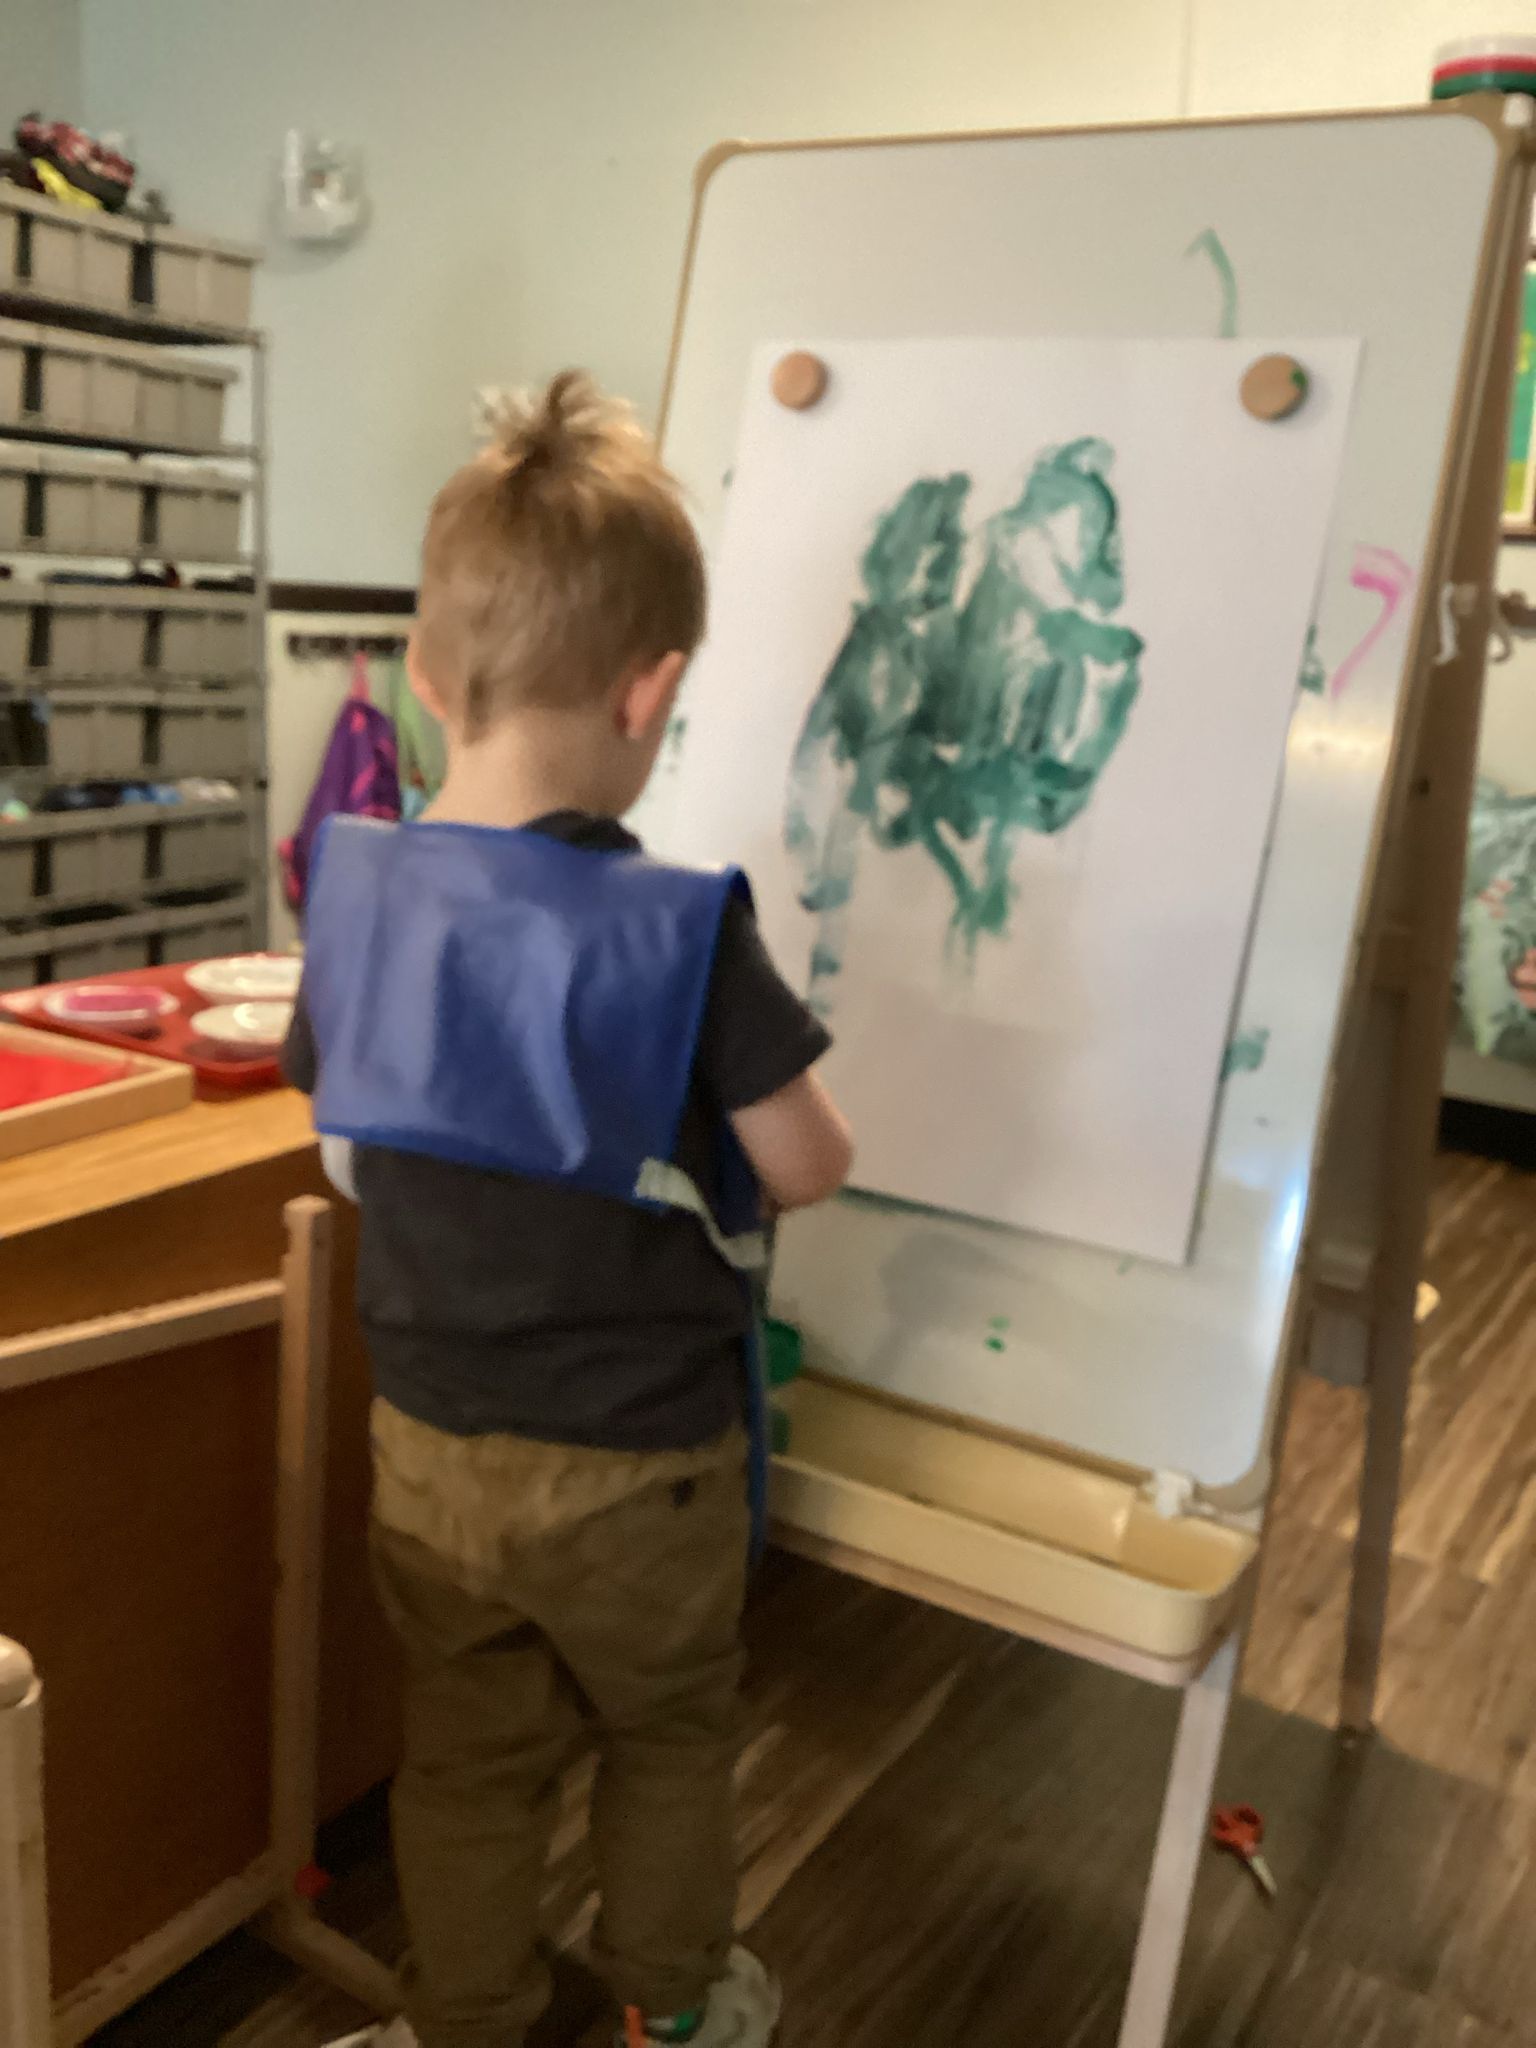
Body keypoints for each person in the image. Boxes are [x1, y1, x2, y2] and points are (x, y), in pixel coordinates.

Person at [286, 370, 853, 2048]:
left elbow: (342, 1142)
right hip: (640, 1471)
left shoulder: (359, 897)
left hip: (431, 1448)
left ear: (430, 676)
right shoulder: (679, 931)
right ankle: (676, 2008)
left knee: (464, 1751)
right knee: (664, 1738)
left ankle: (463, 2014)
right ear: (653, 688)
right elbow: (810, 1161)